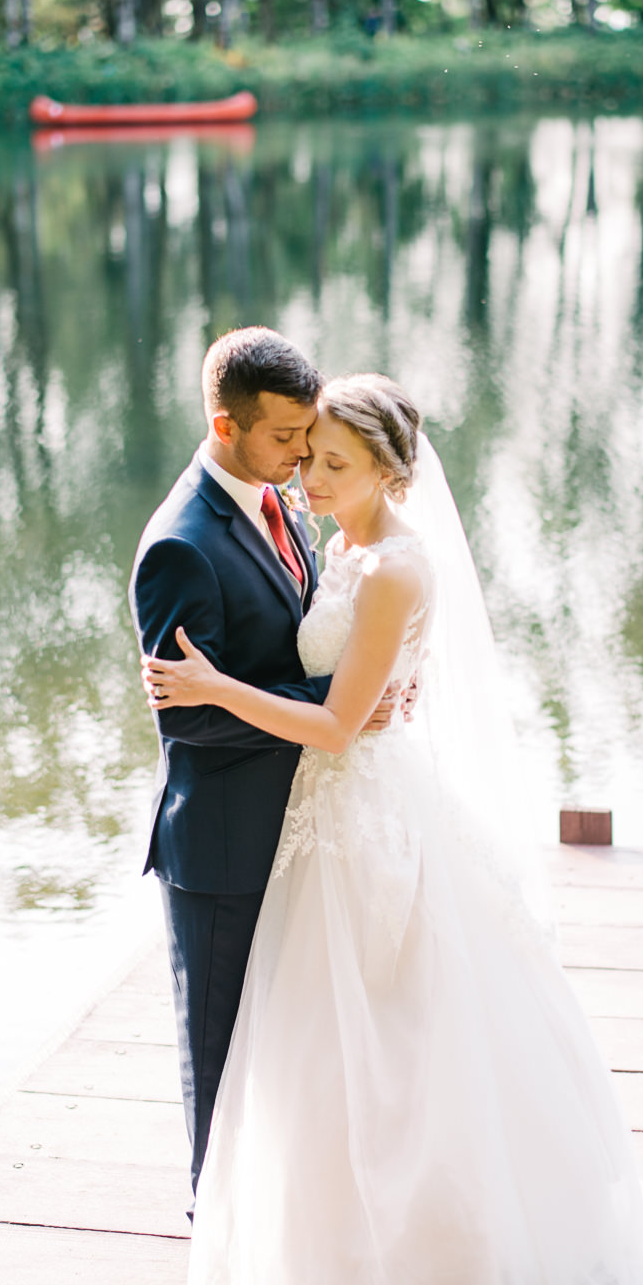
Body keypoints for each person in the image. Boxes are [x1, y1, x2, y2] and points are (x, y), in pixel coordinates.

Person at [141, 374, 643, 1285]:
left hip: (366, 806)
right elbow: (340, 682)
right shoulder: (338, 546)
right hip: (319, 817)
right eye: (307, 454)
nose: (309, 474)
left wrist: (214, 686)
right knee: (327, 1041)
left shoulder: (394, 571)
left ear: (391, 469)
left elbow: (341, 722)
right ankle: (338, 1249)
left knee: (403, 1030)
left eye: (334, 462)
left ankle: (448, 1254)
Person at [131, 329, 406, 1210]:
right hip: (221, 839)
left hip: (301, 824)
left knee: (291, 1043)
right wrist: (339, 703)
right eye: (287, 438)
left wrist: (352, 699)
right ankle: (211, 1220)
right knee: (215, 1050)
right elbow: (196, 715)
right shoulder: (182, 544)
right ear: (225, 422)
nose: (302, 458)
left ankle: (284, 1220)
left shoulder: (275, 498)